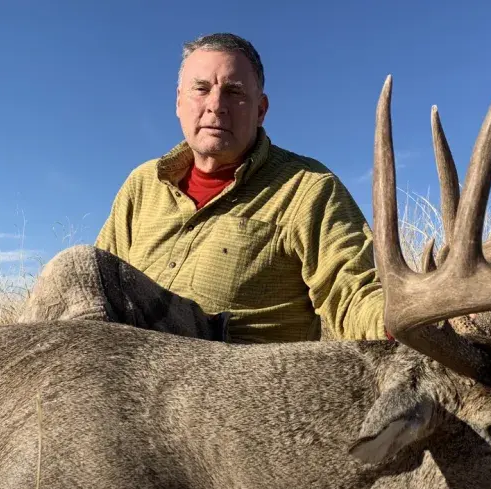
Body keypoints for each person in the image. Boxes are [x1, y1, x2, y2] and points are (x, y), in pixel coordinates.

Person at [95, 32, 386, 344]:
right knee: (85, 271)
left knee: (77, 268)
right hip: (130, 361)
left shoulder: (309, 188)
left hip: (232, 365)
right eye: (201, 89)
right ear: (179, 101)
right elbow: (100, 281)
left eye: (234, 92)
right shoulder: (143, 184)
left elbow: (353, 293)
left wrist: (391, 320)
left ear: (261, 110)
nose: (216, 106)